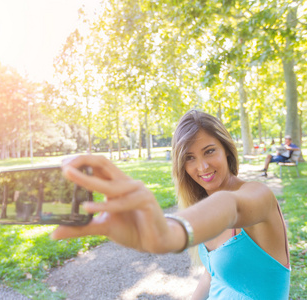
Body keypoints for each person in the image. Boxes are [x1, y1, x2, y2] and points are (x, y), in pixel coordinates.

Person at [51, 110, 290, 299]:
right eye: (189, 158)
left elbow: (230, 206)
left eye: (209, 151)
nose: (202, 166)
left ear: (227, 150)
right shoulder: (202, 204)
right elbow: (211, 277)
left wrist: (169, 233)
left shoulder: (258, 195)